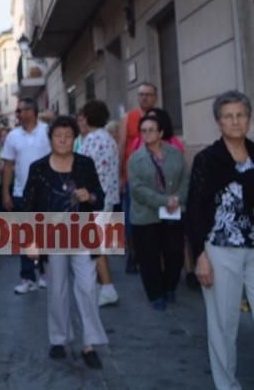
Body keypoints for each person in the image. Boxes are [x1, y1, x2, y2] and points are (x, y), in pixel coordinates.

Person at [22, 116, 107, 370]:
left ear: (74, 139)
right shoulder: (38, 168)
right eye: (58, 135)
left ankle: (89, 343)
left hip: (81, 234)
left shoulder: (85, 164)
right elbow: (28, 205)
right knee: (57, 288)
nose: (63, 140)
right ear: (50, 139)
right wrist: (30, 240)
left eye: (68, 136)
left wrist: (89, 196)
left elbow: (99, 199)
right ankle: (58, 339)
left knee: (87, 287)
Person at [185, 90, 254, 390]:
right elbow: (196, 210)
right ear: (219, 122)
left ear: (249, 119)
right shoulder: (208, 160)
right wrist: (199, 255)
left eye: (241, 115)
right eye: (228, 116)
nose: (235, 121)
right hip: (220, 248)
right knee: (224, 325)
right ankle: (227, 385)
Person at [128, 115, 189, 311]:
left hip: (173, 213)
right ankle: (156, 294)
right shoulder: (135, 159)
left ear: (161, 132)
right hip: (146, 215)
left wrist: (177, 199)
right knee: (149, 257)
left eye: (151, 130)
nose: (147, 134)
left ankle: (170, 286)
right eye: (143, 131)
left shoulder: (175, 153)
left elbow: (185, 179)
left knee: (174, 254)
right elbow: (137, 189)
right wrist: (165, 201)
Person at [1, 97, 51, 293]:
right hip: (21, 192)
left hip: (46, 192)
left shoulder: (47, 131)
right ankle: (27, 277)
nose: (17, 114)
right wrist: (6, 192)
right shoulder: (13, 136)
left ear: (31, 112)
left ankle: (46, 273)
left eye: (20, 111)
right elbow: (8, 166)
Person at [78, 100, 121, 307]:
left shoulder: (91, 140)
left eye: (82, 116)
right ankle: (102, 285)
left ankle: (107, 287)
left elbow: (82, 170)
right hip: (108, 198)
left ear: (87, 118)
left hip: (95, 200)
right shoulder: (108, 139)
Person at [118, 82, 159, 273]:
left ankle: (153, 254)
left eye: (148, 94)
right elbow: (121, 147)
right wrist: (120, 176)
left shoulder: (160, 117)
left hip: (158, 178)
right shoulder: (128, 118)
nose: (144, 98)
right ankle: (133, 254)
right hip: (132, 177)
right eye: (141, 94)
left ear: (155, 97)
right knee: (132, 217)